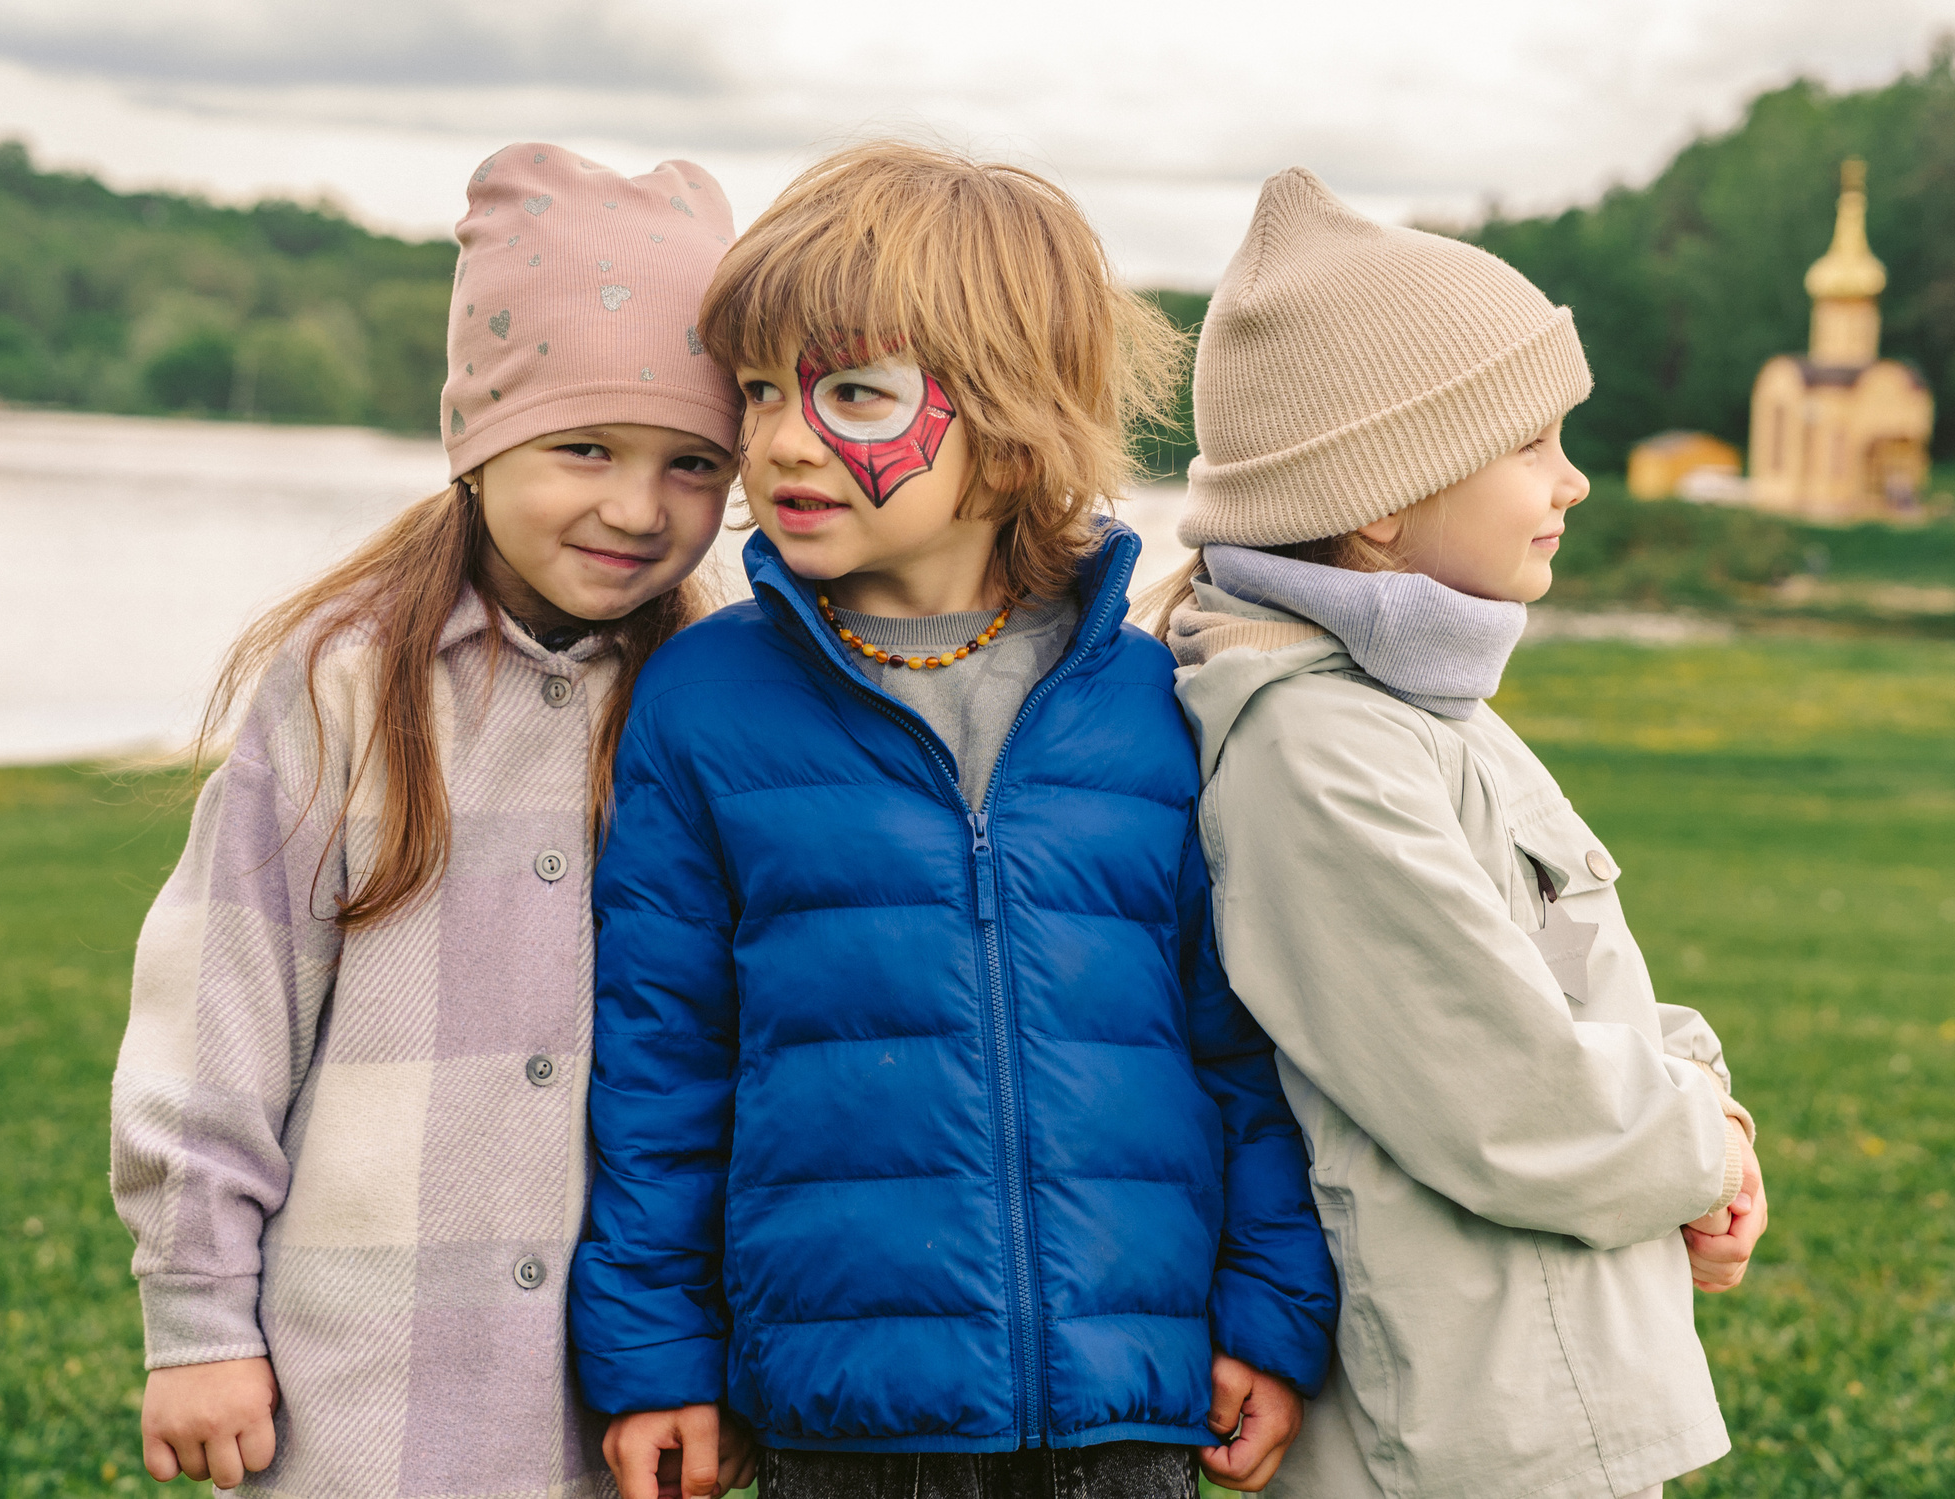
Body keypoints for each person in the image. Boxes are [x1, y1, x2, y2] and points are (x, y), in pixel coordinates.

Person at [567, 142, 1339, 1499]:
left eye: (853, 393)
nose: (781, 437)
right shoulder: (705, 699)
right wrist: (658, 1354)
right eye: (758, 391)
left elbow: (1244, 1043)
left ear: (1012, 422)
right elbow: (661, 1066)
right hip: (842, 1420)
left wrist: (1270, 1313)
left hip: (1130, 1412)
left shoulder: (1155, 704)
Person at [109, 145, 750, 1494]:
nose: (638, 509)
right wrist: (197, 1322)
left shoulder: (708, 708)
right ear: (480, 434)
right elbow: (217, 1019)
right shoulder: (345, 685)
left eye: (693, 464)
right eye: (586, 447)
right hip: (357, 1405)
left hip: (603, 1413)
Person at [1142, 169, 1768, 1499]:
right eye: (1532, 444)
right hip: (1466, 1426)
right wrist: (1697, 1139)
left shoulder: (1421, 708)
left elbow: (1569, 986)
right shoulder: (1313, 752)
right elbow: (1504, 1098)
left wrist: (1709, 1114)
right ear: (1384, 494)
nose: (1576, 482)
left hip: (1542, 1381)